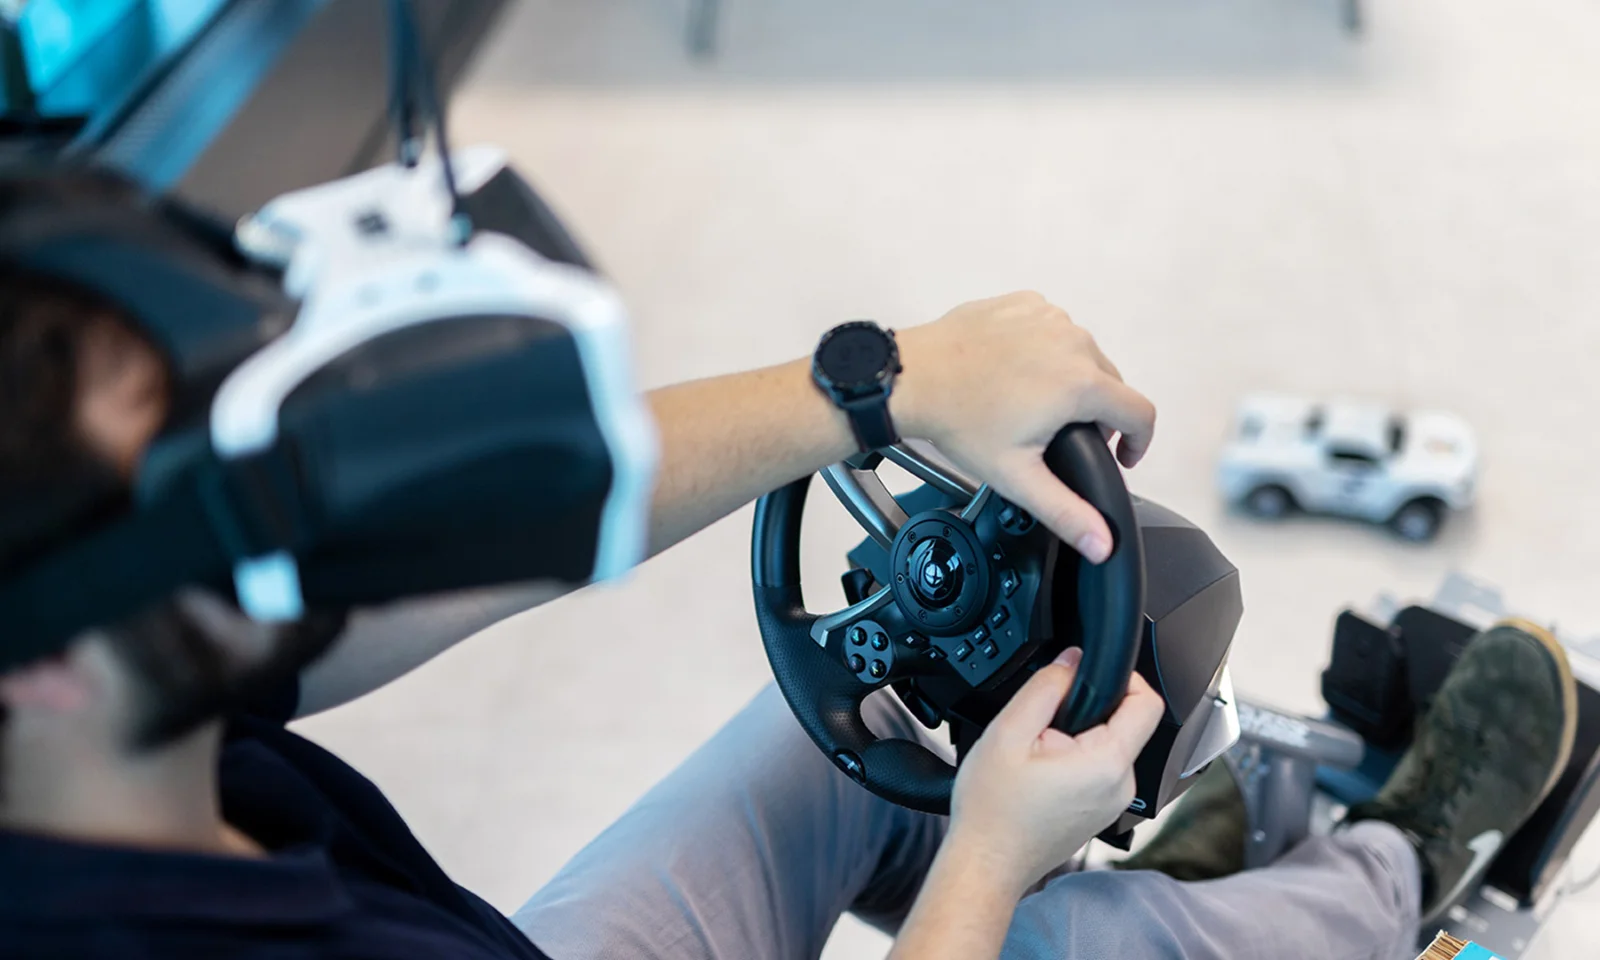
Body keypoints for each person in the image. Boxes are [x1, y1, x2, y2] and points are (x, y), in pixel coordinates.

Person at [0, 169, 1578, 960]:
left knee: (853, 744)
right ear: (50, 658)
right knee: (1039, 924)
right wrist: (979, 869)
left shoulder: (88, 713)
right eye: (237, 484)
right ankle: (1395, 874)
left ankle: (1126, 872)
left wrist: (868, 390)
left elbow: (418, 551)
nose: (320, 494)